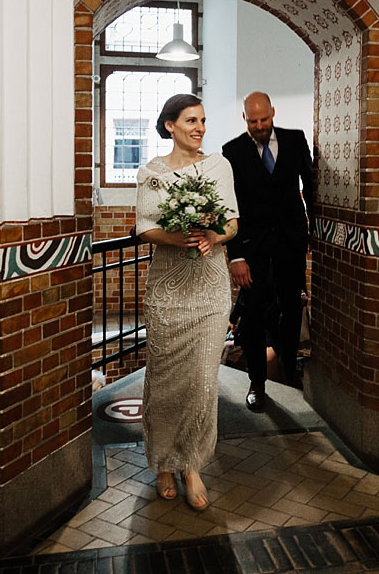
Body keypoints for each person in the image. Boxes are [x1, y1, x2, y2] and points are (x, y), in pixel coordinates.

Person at [135, 93, 239, 511]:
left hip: (211, 285)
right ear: (169, 126)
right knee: (164, 378)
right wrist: (181, 237)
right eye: (191, 121)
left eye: (202, 120)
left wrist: (215, 236)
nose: (199, 128)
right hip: (168, 289)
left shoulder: (219, 166)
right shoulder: (151, 174)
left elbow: (232, 220)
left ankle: (192, 464)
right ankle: (163, 462)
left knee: (202, 379)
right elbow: (145, 227)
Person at [222, 91, 314, 412]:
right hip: (252, 252)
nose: (260, 126)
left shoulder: (294, 140)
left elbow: (311, 188)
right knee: (253, 318)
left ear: (273, 112)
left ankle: (288, 376)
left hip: (290, 245)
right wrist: (236, 256)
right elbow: (228, 207)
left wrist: (313, 231)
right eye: (253, 121)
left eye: (264, 119)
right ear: (244, 118)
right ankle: (257, 383)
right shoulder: (231, 151)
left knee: (290, 312)